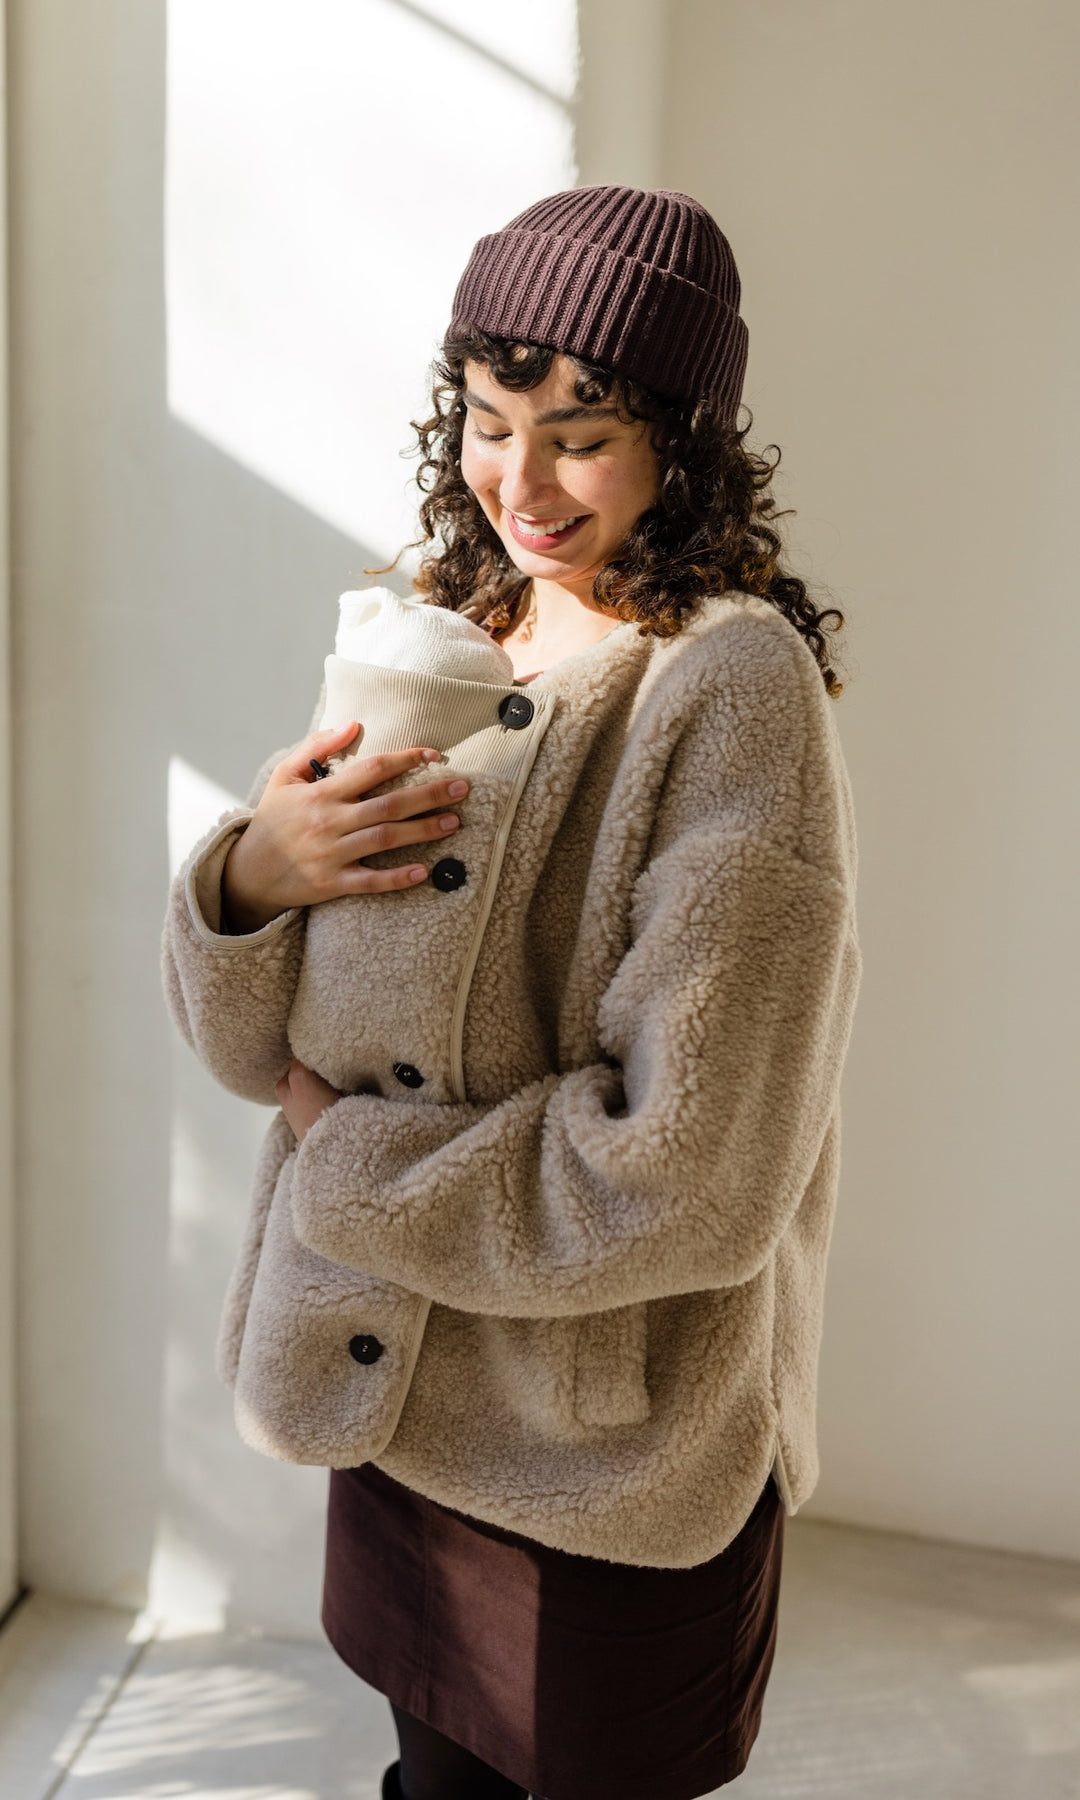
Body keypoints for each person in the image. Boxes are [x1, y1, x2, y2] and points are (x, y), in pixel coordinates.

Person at [161, 185, 862, 1800]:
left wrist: (349, 1171)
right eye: (488, 422)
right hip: (397, 1384)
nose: (521, 484)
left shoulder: (725, 685)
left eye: (583, 433)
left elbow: (689, 1177)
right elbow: (252, 1048)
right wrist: (255, 876)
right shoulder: (443, 624)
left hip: (602, 1448)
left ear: (684, 438)